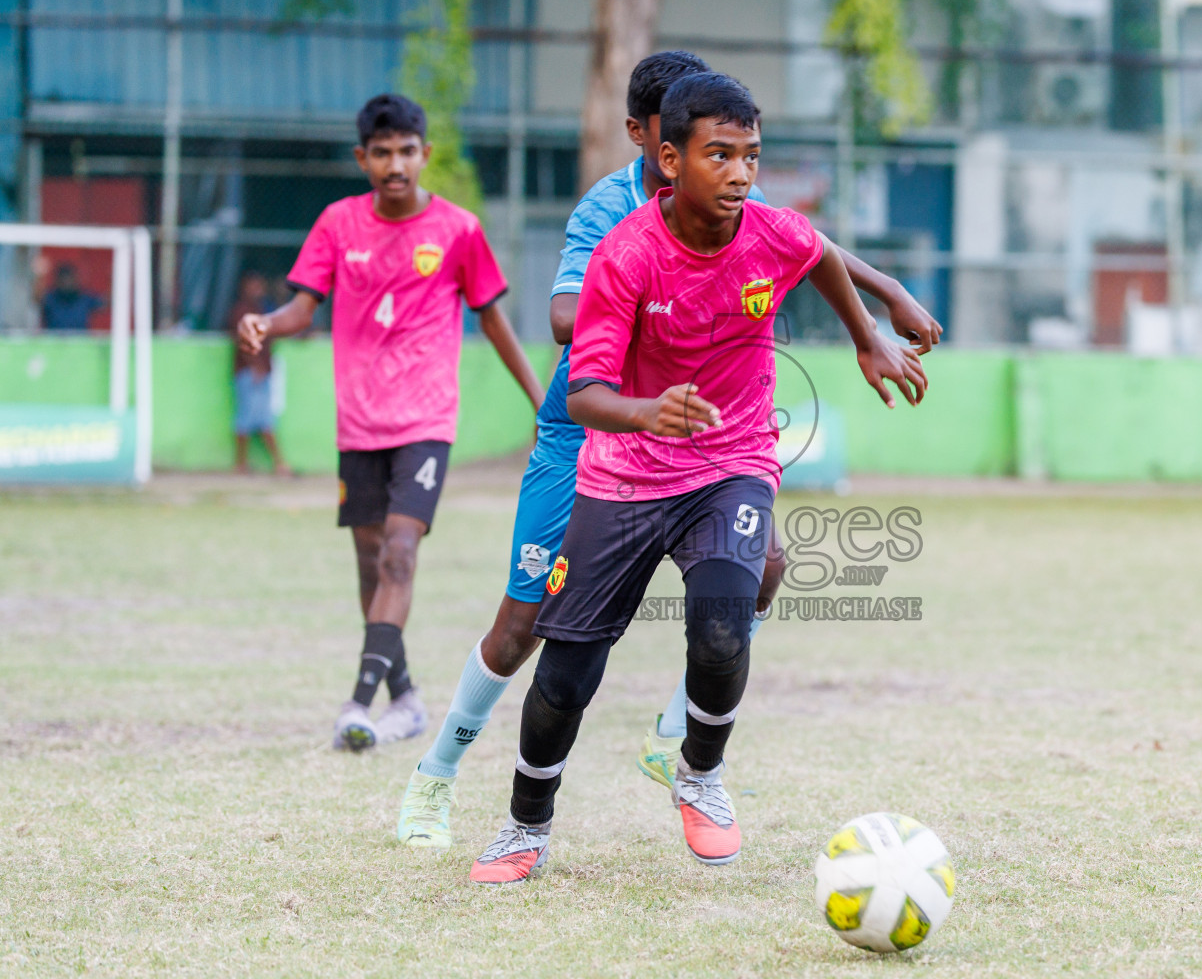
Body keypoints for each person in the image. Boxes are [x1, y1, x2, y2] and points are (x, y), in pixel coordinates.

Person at [394, 51, 941, 850]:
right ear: (650, 140)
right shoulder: (611, 214)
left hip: (702, 439)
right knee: (524, 626)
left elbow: (804, 243)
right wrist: (649, 304)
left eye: (744, 154)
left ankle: (679, 737)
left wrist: (886, 295)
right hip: (591, 430)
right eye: (700, 145)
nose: (734, 170)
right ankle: (436, 775)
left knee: (762, 567)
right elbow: (563, 320)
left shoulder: (730, 192)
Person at [237, 93, 545, 752]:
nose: (396, 164)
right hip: (359, 423)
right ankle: (405, 699)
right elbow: (301, 308)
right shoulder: (338, 224)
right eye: (382, 153)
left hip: (425, 421)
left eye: (407, 151)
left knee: (400, 552)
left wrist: (540, 400)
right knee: (370, 562)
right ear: (363, 158)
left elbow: (493, 320)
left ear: (424, 154)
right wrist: (266, 324)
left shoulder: (458, 230)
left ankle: (358, 702)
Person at [227, 272, 291, 476]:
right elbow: (241, 342)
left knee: (262, 419)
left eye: (260, 286)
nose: (259, 290)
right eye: (254, 286)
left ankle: (272, 464)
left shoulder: (262, 310)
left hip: (262, 371)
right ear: (244, 288)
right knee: (250, 419)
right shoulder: (241, 312)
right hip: (250, 373)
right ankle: (260, 464)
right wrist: (255, 366)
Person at [36, 262, 105, 331]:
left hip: (80, 337)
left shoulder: (85, 298)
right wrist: (40, 276)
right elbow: (37, 298)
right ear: (58, 281)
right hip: (54, 337)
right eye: (63, 280)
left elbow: (105, 303)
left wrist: (110, 278)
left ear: (76, 280)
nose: (67, 283)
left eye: (69, 279)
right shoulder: (50, 298)